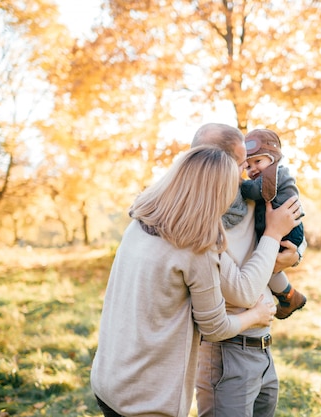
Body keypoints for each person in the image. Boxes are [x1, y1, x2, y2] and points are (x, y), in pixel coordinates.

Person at [90, 145, 301, 417]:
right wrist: (257, 315)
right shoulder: (196, 246)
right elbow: (215, 326)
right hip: (147, 399)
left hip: (110, 378)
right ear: (216, 191)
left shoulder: (142, 222)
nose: (242, 182)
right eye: (236, 177)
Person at [193, 123, 306, 417]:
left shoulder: (252, 198)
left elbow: (291, 224)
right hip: (227, 348)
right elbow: (242, 291)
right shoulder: (202, 217)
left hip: (263, 346)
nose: (247, 169)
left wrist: (294, 256)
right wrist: (272, 236)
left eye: (249, 163)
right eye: (242, 163)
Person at [241, 128, 307, 319]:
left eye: (258, 162)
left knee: (264, 267)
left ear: (273, 158)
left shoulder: (275, 174)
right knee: (264, 267)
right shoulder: (268, 174)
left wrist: (237, 183)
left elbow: (254, 191)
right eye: (248, 166)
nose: (252, 169)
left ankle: (290, 296)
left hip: (288, 231)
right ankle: (289, 296)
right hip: (283, 228)